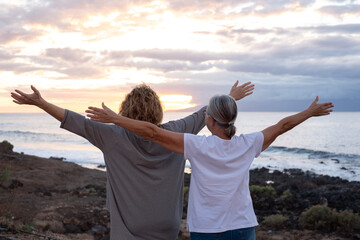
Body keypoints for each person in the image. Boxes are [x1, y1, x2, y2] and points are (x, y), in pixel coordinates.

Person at [11, 81, 254, 240]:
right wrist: (231, 97)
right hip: (168, 227)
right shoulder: (178, 132)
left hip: (129, 229)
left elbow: (74, 120)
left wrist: (40, 103)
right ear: (158, 110)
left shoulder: (111, 135)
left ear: (125, 109)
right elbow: (204, 114)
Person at [85, 93, 334, 240]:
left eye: (207, 114)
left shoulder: (196, 146)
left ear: (211, 120)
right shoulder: (249, 144)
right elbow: (282, 126)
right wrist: (309, 111)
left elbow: (152, 132)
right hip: (243, 226)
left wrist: (116, 119)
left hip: (208, 229)